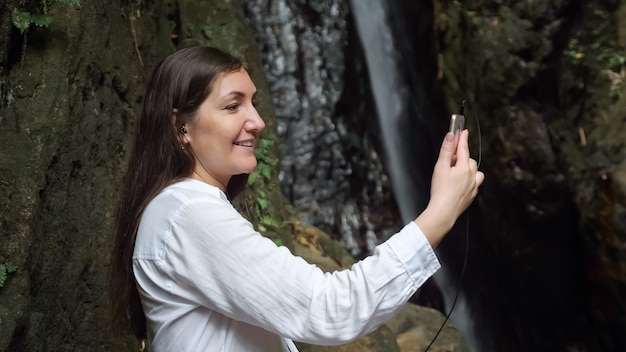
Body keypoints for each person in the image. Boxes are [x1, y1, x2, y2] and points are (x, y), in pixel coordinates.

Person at [109, 45, 484, 351]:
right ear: (181, 127)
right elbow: (330, 307)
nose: (257, 121)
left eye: (253, 103)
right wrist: (440, 212)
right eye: (232, 105)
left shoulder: (188, 210)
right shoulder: (187, 214)